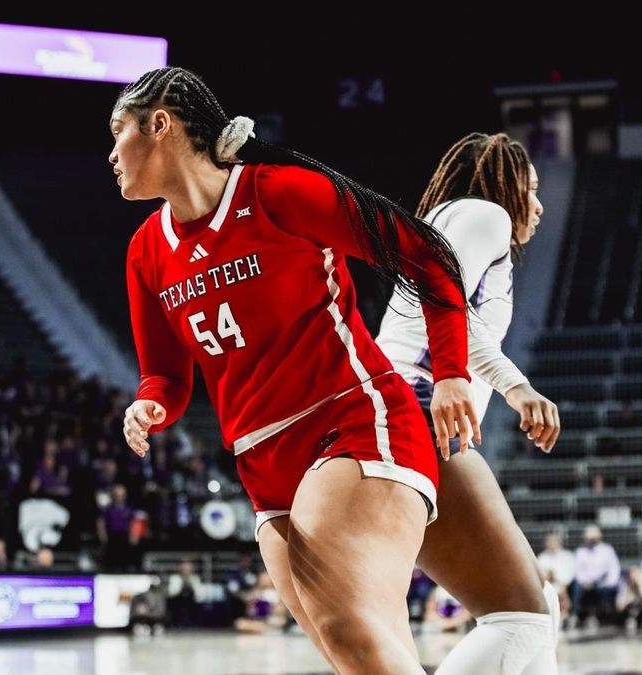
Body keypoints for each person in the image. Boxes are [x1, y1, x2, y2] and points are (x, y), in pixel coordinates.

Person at [113, 67, 475, 673]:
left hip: (352, 422)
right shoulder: (145, 251)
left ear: (160, 125)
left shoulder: (277, 193)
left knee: (345, 625)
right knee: (357, 654)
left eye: (117, 131)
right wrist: (150, 403)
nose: (110, 153)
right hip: (260, 464)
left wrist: (452, 372)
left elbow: (425, 253)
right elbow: (168, 377)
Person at [376, 132, 560, 673]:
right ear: (502, 186)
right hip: (416, 406)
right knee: (522, 619)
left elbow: (447, 305)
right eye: (530, 189)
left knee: (539, 605)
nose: (538, 205)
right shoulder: (486, 216)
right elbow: (444, 304)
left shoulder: (451, 218)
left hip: (397, 406)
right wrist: (516, 386)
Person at [572, 524, 620, 629]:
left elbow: (614, 570)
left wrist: (608, 583)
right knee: (577, 586)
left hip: (603, 582)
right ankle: (576, 614)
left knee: (600, 588)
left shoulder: (607, 550)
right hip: (585, 583)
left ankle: (599, 616)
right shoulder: (580, 551)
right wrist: (585, 581)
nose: (591, 541)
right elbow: (577, 571)